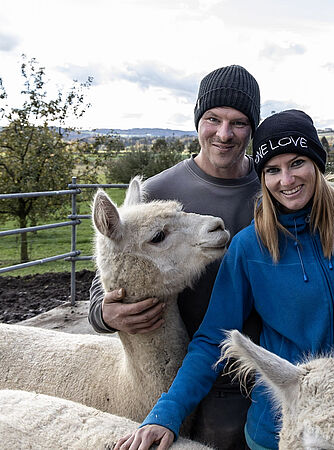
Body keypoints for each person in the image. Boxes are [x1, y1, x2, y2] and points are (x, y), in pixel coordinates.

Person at [114, 109, 334, 450]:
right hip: (278, 428)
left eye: (297, 163)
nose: (286, 180)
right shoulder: (249, 247)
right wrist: (166, 414)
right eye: (272, 170)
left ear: (317, 163)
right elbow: (213, 339)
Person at [88, 65, 262, 449]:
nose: (224, 134)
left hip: (253, 370)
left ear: (252, 128)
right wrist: (104, 313)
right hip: (185, 373)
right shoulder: (156, 194)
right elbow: (111, 272)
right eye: (213, 119)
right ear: (198, 121)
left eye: (239, 122)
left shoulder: (273, 191)